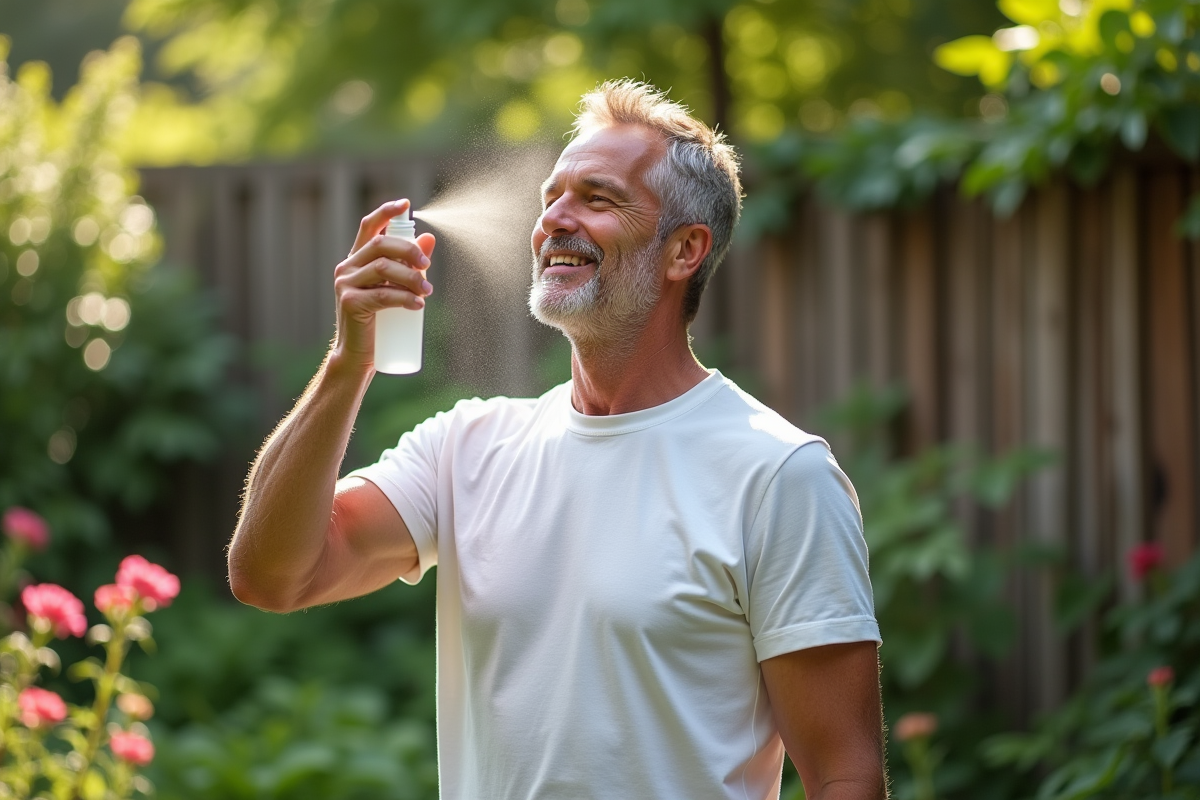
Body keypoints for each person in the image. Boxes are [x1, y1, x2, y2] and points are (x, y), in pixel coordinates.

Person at [229, 79, 887, 800]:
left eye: (597, 199)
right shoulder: (466, 447)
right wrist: (346, 362)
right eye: (551, 198)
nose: (555, 222)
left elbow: (845, 777)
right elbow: (271, 576)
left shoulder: (778, 475)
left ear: (684, 251)